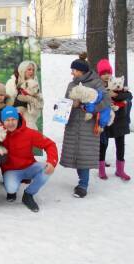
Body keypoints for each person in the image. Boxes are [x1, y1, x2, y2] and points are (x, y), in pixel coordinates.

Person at [60, 53, 111, 198]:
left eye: (74, 70)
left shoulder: (96, 83)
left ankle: (83, 185)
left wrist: (90, 107)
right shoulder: (72, 83)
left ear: (81, 71)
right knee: (75, 156)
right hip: (73, 123)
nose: (72, 73)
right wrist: (61, 108)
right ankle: (81, 181)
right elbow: (66, 101)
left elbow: (106, 102)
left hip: (88, 124)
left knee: (84, 155)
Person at [0, 106, 58, 212]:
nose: (11, 123)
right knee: (11, 189)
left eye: (13, 119)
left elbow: (50, 144)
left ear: (18, 119)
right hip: (11, 170)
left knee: (47, 170)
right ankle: (11, 191)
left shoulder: (29, 133)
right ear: (2, 121)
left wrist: (52, 162)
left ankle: (28, 194)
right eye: (7, 120)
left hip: (29, 166)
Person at [96, 59, 132, 181]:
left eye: (108, 72)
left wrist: (116, 95)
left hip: (120, 120)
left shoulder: (118, 84)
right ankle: (101, 170)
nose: (106, 75)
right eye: (103, 73)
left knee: (120, 145)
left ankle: (120, 170)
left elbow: (129, 95)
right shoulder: (97, 86)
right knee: (103, 145)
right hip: (105, 120)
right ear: (99, 75)